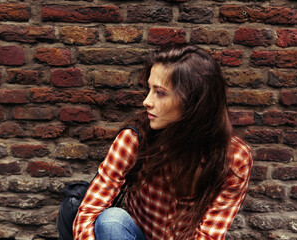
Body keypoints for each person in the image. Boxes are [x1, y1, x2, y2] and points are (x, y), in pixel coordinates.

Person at [72, 44, 253, 240]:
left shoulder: (235, 157)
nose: (146, 101)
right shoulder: (134, 139)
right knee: (111, 221)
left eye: (160, 92)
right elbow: (87, 215)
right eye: (149, 89)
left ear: (192, 101)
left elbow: (209, 236)